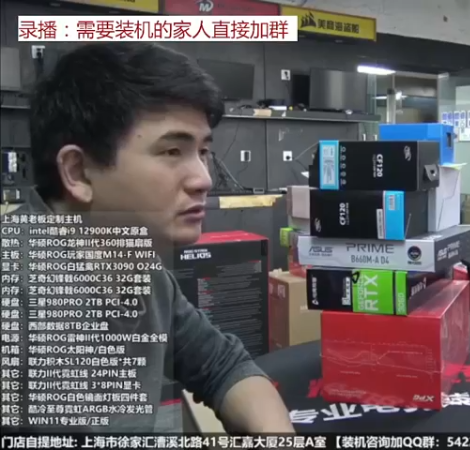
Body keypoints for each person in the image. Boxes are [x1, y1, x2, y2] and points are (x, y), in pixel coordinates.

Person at [5, 43, 294, 433]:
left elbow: (224, 366)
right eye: (172, 150)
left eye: (203, 152)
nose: (204, 179)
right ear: (78, 172)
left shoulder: (144, 272)